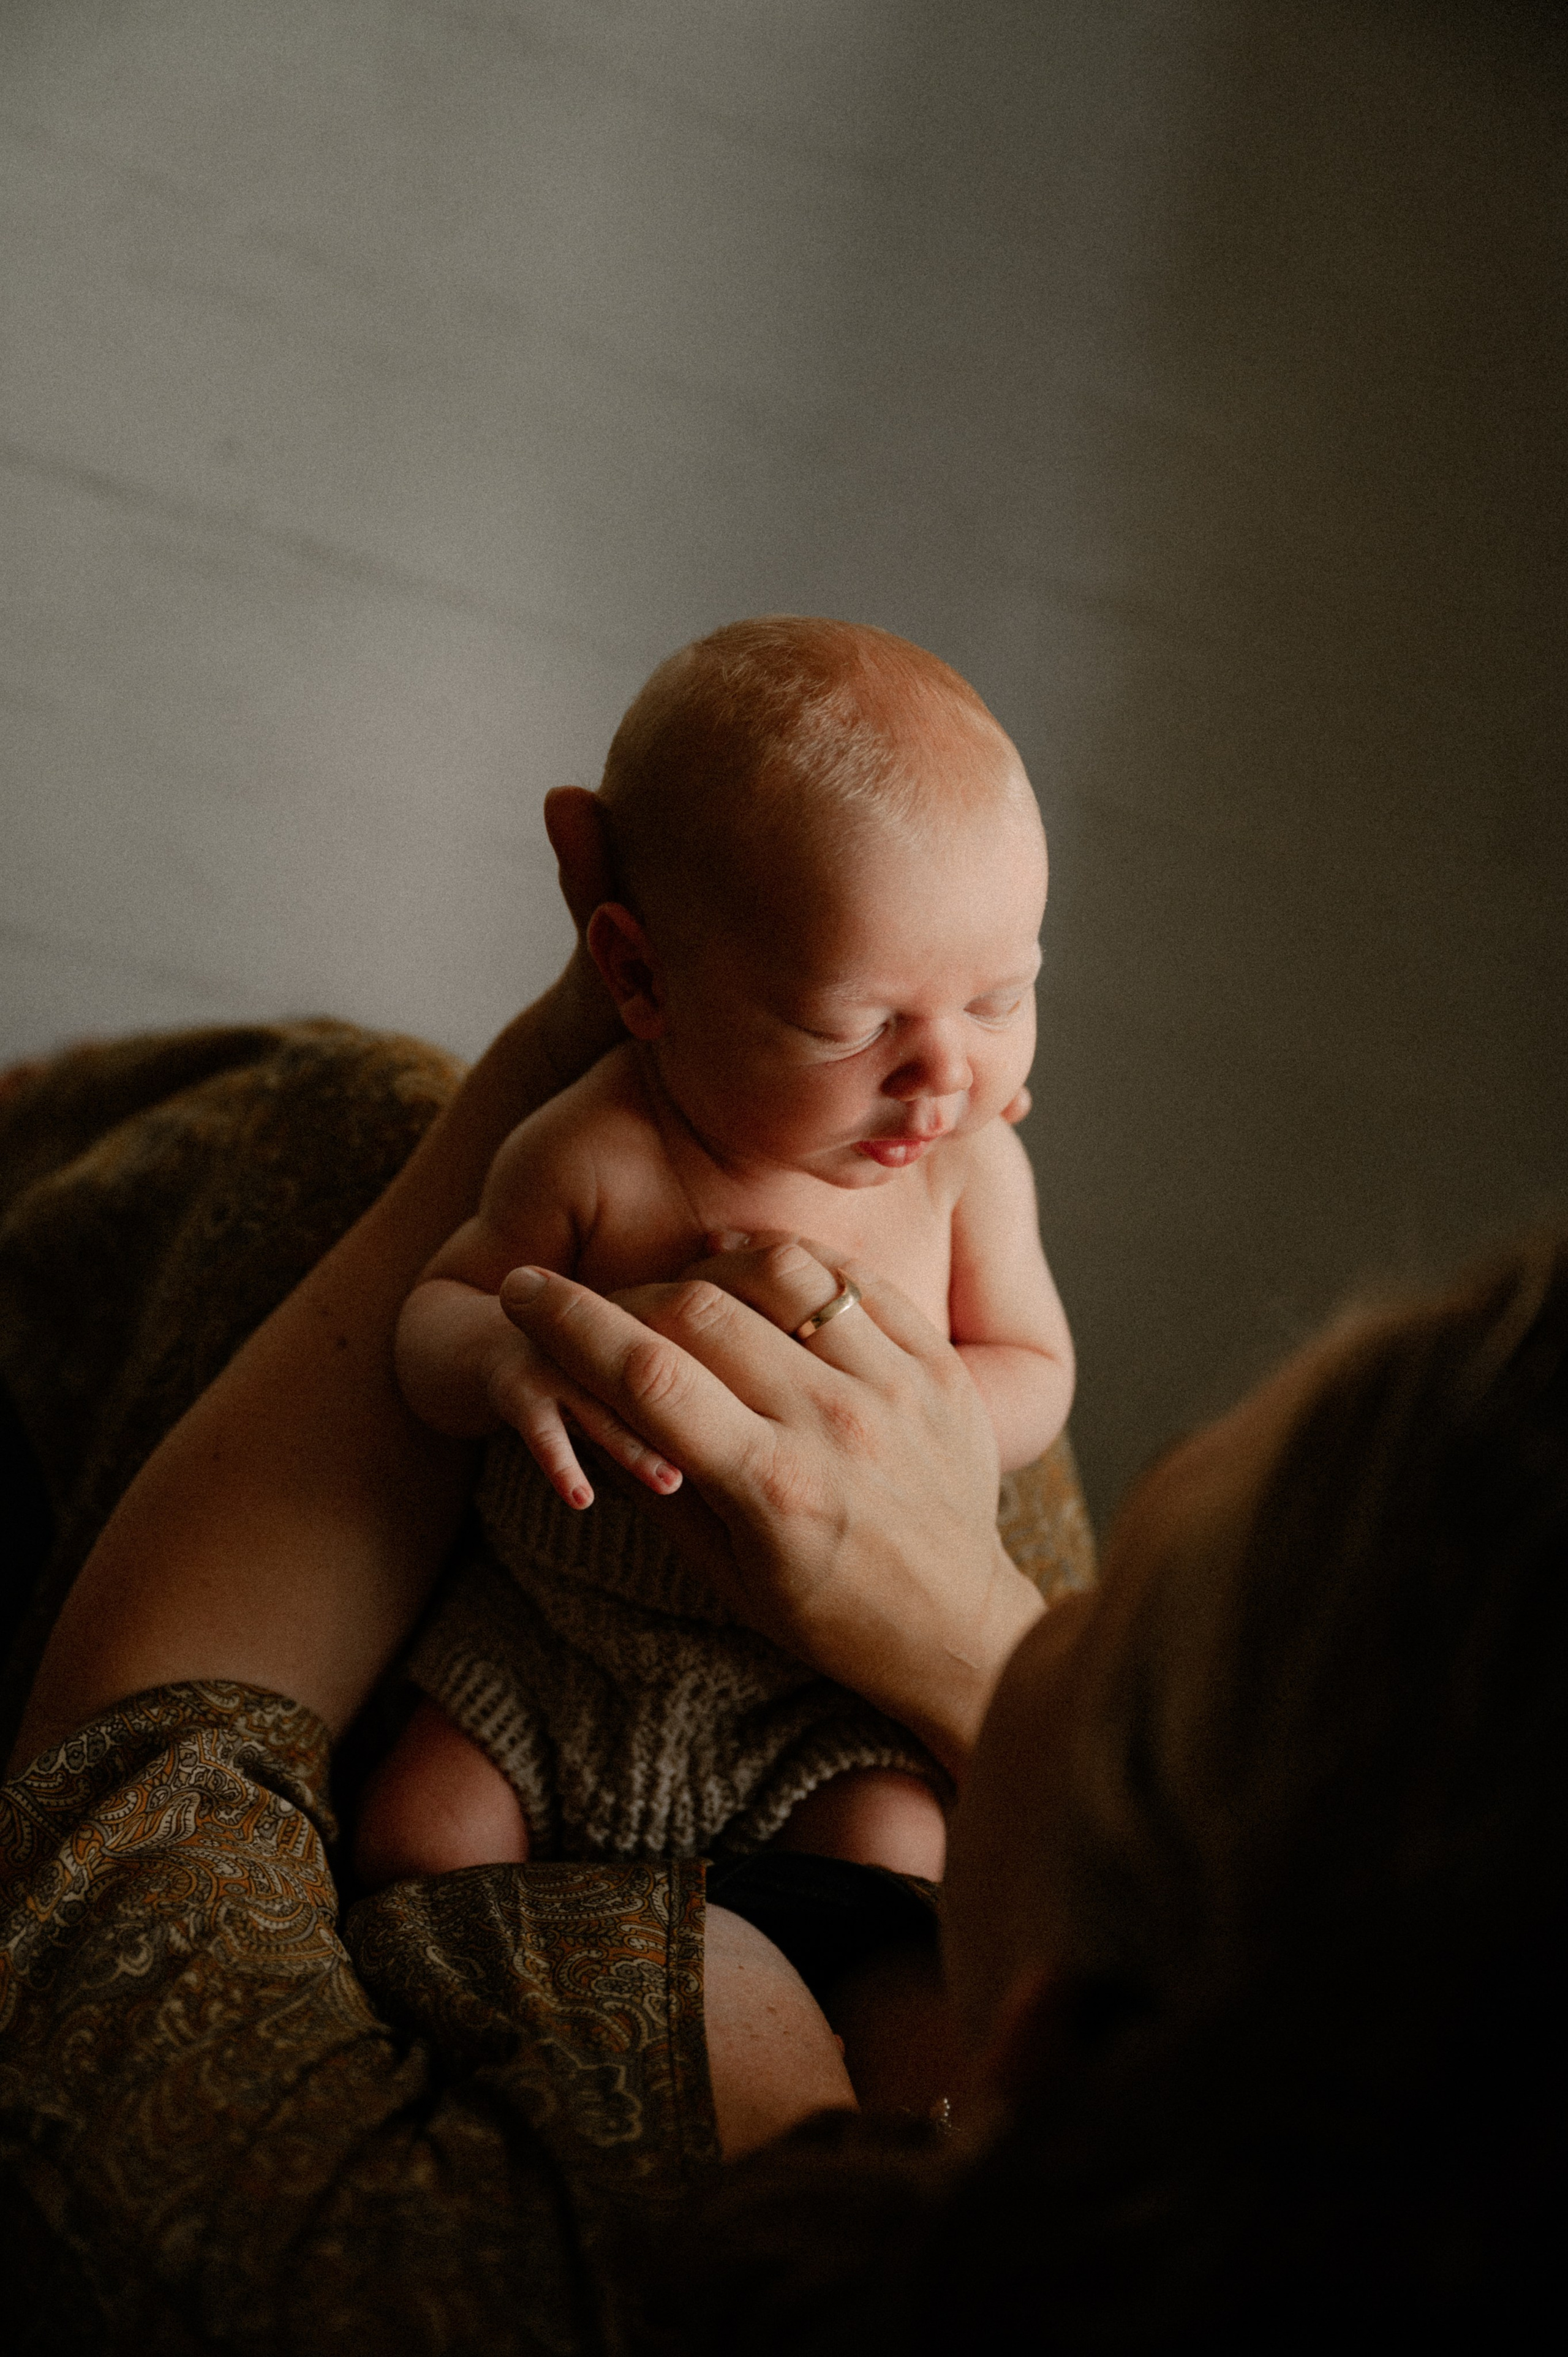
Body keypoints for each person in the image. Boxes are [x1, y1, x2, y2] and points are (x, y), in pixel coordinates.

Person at [3, 924, 1563, 2347]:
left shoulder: (468, 2280)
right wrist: (956, 1616)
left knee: (355, 1133)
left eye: (1096, 1619)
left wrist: (556, 1062)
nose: (1028, 1613)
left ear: (1045, 2036)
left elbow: (133, 1807)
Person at [359, 616, 1073, 1888]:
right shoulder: (598, 1152)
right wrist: (506, 1361)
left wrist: (924, 1416)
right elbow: (436, 1313)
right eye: (853, 1024)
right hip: (553, 1643)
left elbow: (1034, 1362)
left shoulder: (968, 1176)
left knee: (894, 1869)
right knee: (417, 1836)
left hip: (809, 1690)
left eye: (997, 1000)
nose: (942, 1072)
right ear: (641, 977)